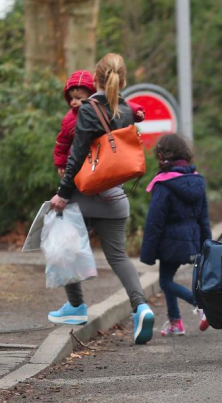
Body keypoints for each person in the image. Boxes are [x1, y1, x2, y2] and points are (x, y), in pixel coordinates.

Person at [48, 53, 156, 345]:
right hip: (116, 198)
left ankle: (75, 306)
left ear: (94, 79)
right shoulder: (126, 110)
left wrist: (62, 194)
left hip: (83, 196)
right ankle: (141, 307)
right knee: (119, 258)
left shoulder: (87, 110)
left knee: (63, 247)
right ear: (123, 81)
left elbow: (78, 154)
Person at [140, 134, 211, 337]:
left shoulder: (163, 185)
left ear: (161, 156)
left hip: (169, 241)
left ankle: (200, 305)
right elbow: (203, 218)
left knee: (165, 282)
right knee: (167, 277)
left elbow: (155, 221)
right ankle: (175, 322)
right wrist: (206, 245)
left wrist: (148, 253)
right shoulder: (197, 181)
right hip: (191, 239)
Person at [54, 71, 145, 177]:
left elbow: (120, 105)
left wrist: (136, 111)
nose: (73, 102)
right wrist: (61, 163)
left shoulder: (101, 107)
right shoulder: (69, 120)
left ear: (92, 96)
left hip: (105, 158)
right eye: (71, 98)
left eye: (78, 98)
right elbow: (62, 143)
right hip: (82, 164)